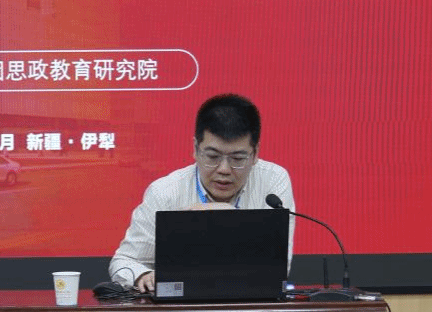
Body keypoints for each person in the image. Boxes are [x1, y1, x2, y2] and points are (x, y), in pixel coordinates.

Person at [109, 93, 295, 293]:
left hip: (251, 304)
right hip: (180, 308)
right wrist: (143, 275)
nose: (224, 169)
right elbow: (123, 262)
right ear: (196, 149)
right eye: (213, 156)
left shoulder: (273, 181)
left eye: (238, 159)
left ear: (255, 153)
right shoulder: (165, 192)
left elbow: (278, 267)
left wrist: (229, 216)